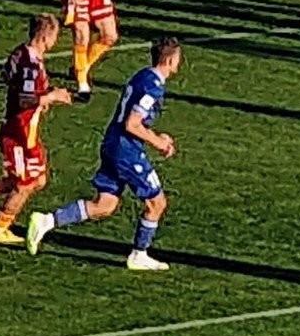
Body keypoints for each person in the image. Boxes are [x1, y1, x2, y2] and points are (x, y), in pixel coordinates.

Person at [27, 36, 184, 272]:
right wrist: (159, 143)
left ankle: (46, 221)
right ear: (171, 60)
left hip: (113, 142)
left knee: (105, 205)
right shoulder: (153, 86)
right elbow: (133, 123)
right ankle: (139, 254)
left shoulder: (142, 75)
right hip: (126, 150)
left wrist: (154, 136)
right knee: (157, 202)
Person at [0, 14, 73, 247]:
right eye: (55, 36)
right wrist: (50, 97)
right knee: (27, 182)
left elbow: (8, 77)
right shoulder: (30, 66)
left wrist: (45, 95)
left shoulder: (21, 53)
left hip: (26, 131)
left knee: (38, 179)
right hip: (20, 133)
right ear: (46, 37)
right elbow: (24, 99)